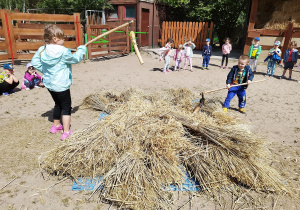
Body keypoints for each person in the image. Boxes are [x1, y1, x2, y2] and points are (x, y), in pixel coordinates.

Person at [31, 24, 86, 140]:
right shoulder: (64, 51)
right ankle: (66, 132)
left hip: (49, 84)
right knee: (66, 107)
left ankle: (56, 126)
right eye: (62, 38)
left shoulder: (42, 49)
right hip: (61, 84)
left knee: (57, 104)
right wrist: (81, 50)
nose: (64, 39)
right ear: (55, 39)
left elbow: (34, 62)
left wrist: (45, 71)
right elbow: (75, 59)